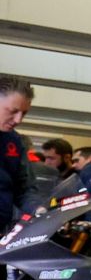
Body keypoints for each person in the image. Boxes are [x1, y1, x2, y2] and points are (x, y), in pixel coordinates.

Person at [0, 74, 40, 224]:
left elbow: (26, 188)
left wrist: (37, 209)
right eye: (12, 111)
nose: (18, 120)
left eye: (24, 113)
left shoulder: (15, 141)